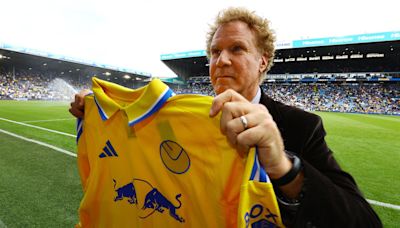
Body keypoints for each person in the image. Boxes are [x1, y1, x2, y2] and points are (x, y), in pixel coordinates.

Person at [70, 7, 382, 227]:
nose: (222, 60)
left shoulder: (301, 126)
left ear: (262, 61)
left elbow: (363, 221)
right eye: (215, 52)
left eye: (237, 49)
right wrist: (99, 113)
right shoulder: (188, 117)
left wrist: (283, 167)